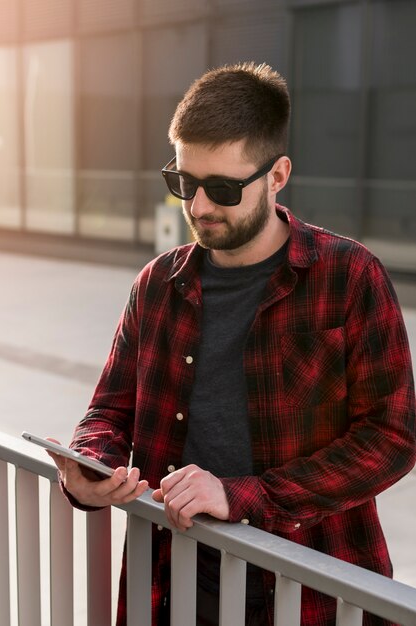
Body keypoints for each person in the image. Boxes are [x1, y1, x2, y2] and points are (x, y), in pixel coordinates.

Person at [48, 62, 416, 626]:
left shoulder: (350, 277)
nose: (196, 207)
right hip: (170, 583)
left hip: (311, 592)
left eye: (221, 189)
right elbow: (110, 408)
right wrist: (92, 466)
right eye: (183, 183)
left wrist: (246, 496)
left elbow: (391, 438)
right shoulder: (156, 285)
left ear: (277, 175)